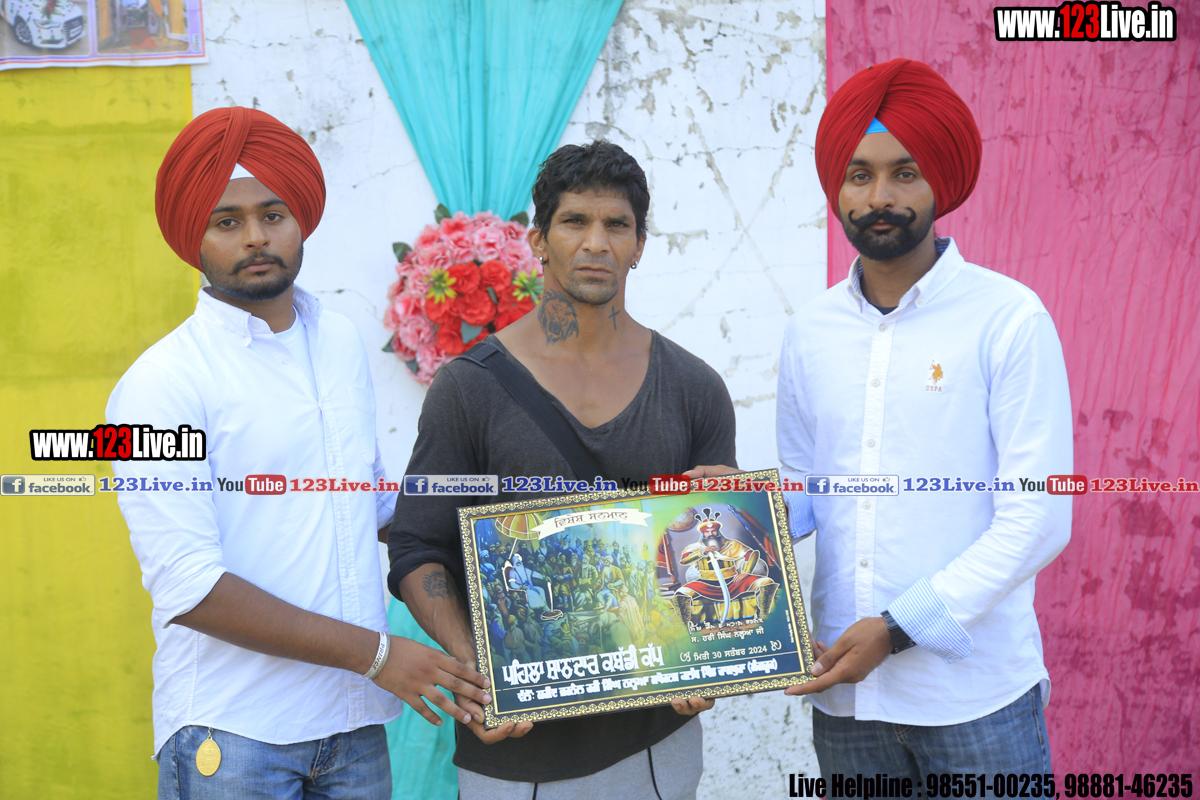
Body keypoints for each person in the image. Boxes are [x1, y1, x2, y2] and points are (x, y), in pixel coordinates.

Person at [692, 57, 1072, 775]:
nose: (880, 197)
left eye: (905, 173)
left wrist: (897, 630)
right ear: (837, 189)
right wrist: (738, 505)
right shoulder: (811, 331)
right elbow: (811, 491)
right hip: (848, 697)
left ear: (939, 184)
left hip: (974, 697)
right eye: (859, 175)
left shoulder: (1008, 318)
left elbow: (1039, 517)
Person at [108, 106, 489, 799]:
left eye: (272, 214)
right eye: (227, 221)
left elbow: (369, 502)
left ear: (301, 220)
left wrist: (512, 526)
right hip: (233, 735)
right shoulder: (157, 386)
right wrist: (379, 656)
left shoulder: (338, 342)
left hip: (353, 727)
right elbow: (188, 585)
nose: (255, 236)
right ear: (193, 236)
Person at [388, 140, 736, 799]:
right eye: (575, 221)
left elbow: (711, 554)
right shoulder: (468, 389)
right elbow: (417, 548)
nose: (596, 243)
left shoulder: (695, 389)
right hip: (516, 755)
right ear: (539, 241)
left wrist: (708, 656)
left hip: (653, 743)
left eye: (617, 225)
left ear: (639, 244)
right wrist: (478, 669)